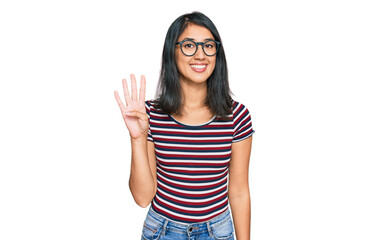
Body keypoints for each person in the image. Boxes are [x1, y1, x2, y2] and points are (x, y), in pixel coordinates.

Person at [114, 11, 254, 240]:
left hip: (217, 232)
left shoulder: (237, 116)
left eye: (208, 46)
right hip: (163, 231)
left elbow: (238, 191)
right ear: (173, 52)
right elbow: (142, 198)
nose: (200, 55)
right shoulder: (150, 115)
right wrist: (138, 139)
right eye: (189, 45)